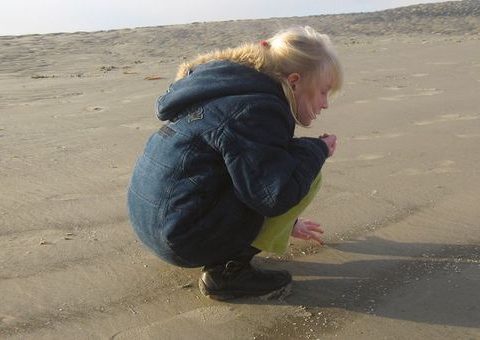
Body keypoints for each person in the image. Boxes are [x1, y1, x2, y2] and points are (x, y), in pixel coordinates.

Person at [126, 26, 341, 300]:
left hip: (153, 223)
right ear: (295, 81)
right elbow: (273, 195)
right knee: (303, 165)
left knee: (282, 160)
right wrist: (317, 149)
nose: (325, 104)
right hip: (181, 238)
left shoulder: (223, 89)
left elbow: (241, 168)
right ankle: (228, 273)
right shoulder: (257, 109)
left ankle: (223, 248)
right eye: (323, 91)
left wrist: (288, 223)